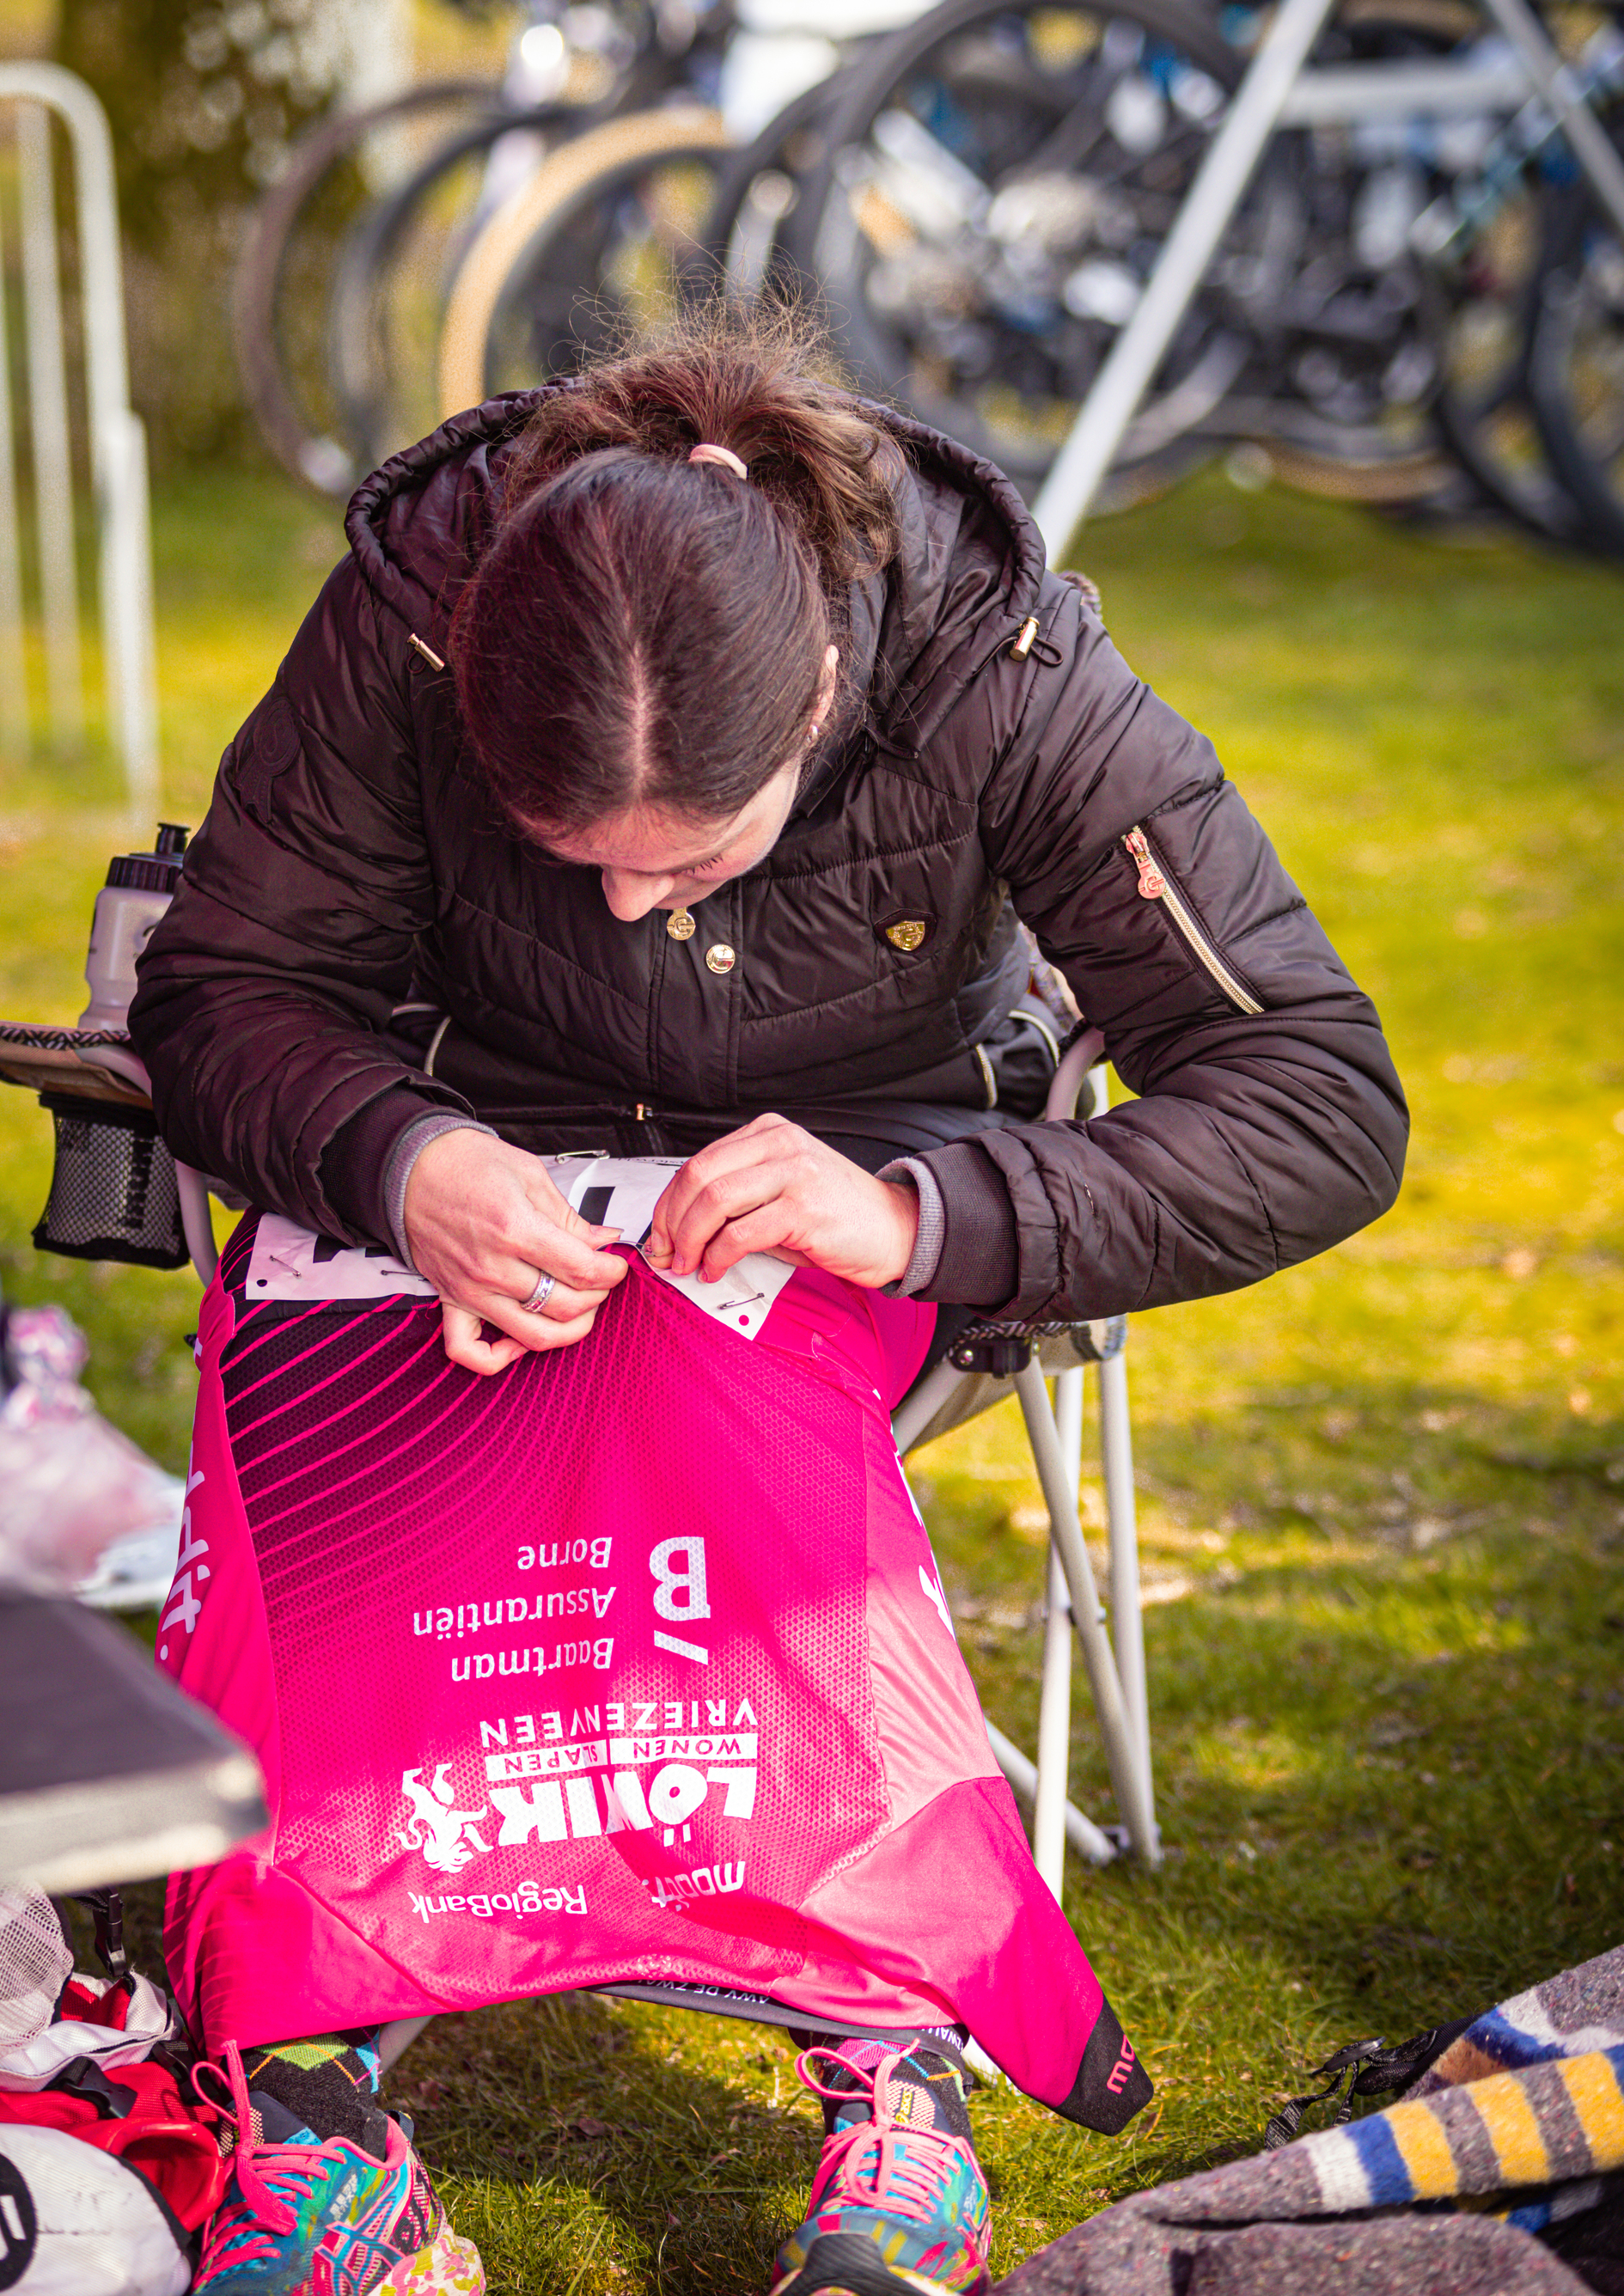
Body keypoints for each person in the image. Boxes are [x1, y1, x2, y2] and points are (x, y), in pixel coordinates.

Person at [133, 310, 1408, 2296]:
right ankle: (303, 2082)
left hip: (869, 1171)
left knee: (726, 1391)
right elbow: (220, 993)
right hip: (486, 1155)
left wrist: (921, 1217)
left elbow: (1318, 1097)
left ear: (821, 686)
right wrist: (401, 1158)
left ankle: (889, 2051)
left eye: (693, 854)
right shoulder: (406, 622)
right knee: (341, 1412)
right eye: (581, 861)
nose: (636, 904)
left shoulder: (1004, 665)